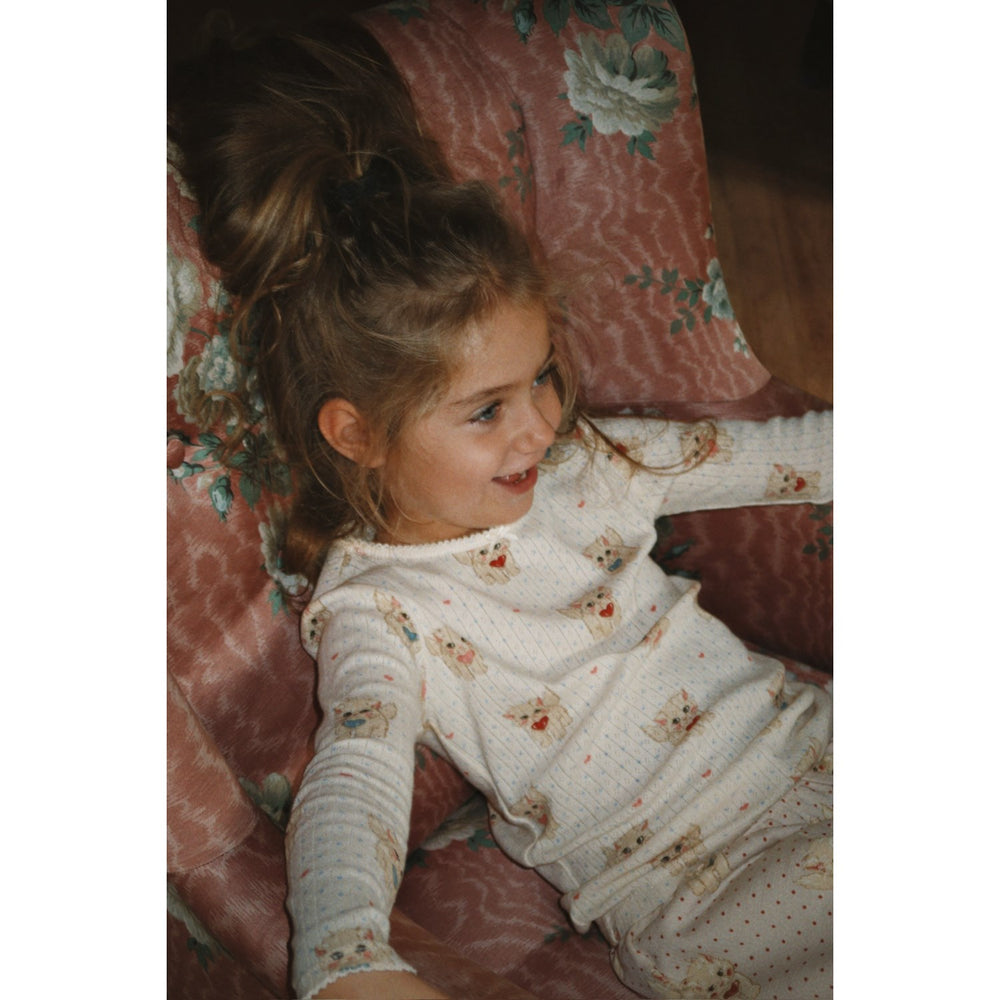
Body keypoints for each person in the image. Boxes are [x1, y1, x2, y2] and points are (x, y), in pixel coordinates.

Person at [169, 17, 832, 1000]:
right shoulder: (381, 610)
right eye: (486, 411)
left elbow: (796, 457)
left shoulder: (592, 465)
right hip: (705, 890)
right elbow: (356, 777)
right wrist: (344, 953)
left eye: (542, 379)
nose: (538, 427)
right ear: (358, 433)